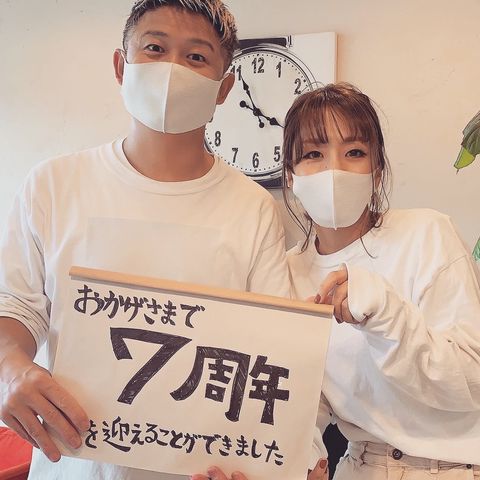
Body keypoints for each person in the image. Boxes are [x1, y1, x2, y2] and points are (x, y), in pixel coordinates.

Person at [0, 1, 292, 479]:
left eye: (196, 56)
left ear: (224, 88)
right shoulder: (53, 185)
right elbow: (16, 305)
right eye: (155, 48)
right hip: (75, 465)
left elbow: (270, 348)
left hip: (200, 466)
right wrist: (10, 368)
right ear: (122, 66)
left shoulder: (252, 207)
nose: (173, 68)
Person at [281, 82, 480, 479]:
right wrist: (300, 456)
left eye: (354, 152)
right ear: (290, 175)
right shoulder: (288, 269)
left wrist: (385, 313)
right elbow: (304, 392)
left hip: (451, 468)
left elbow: (471, 382)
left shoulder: (426, 233)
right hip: (359, 464)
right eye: (313, 154)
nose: (334, 170)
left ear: (377, 171)